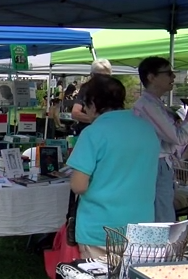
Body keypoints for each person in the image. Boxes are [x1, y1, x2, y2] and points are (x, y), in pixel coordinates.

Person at [67, 75, 160, 259]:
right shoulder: (147, 129)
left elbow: (79, 185)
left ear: (93, 103)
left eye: (85, 104)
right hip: (142, 225)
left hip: (101, 228)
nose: (84, 109)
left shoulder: (93, 133)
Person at [133, 56, 188, 223]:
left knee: (161, 212)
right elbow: (179, 138)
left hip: (159, 163)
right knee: (162, 216)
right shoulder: (148, 106)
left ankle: (161, 246)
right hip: (156, 164)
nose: (173, 77)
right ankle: (163, 248)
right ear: (151, 77)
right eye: (168, 73)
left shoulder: (155, 104)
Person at [71, 59, 112, 135]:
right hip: (88, 131)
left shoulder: (114, 90)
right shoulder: (86, 89)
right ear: (92, 75)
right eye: (99, 76)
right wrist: (96, 120)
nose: (102, 80)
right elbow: (75, 113)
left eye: (106, 77)